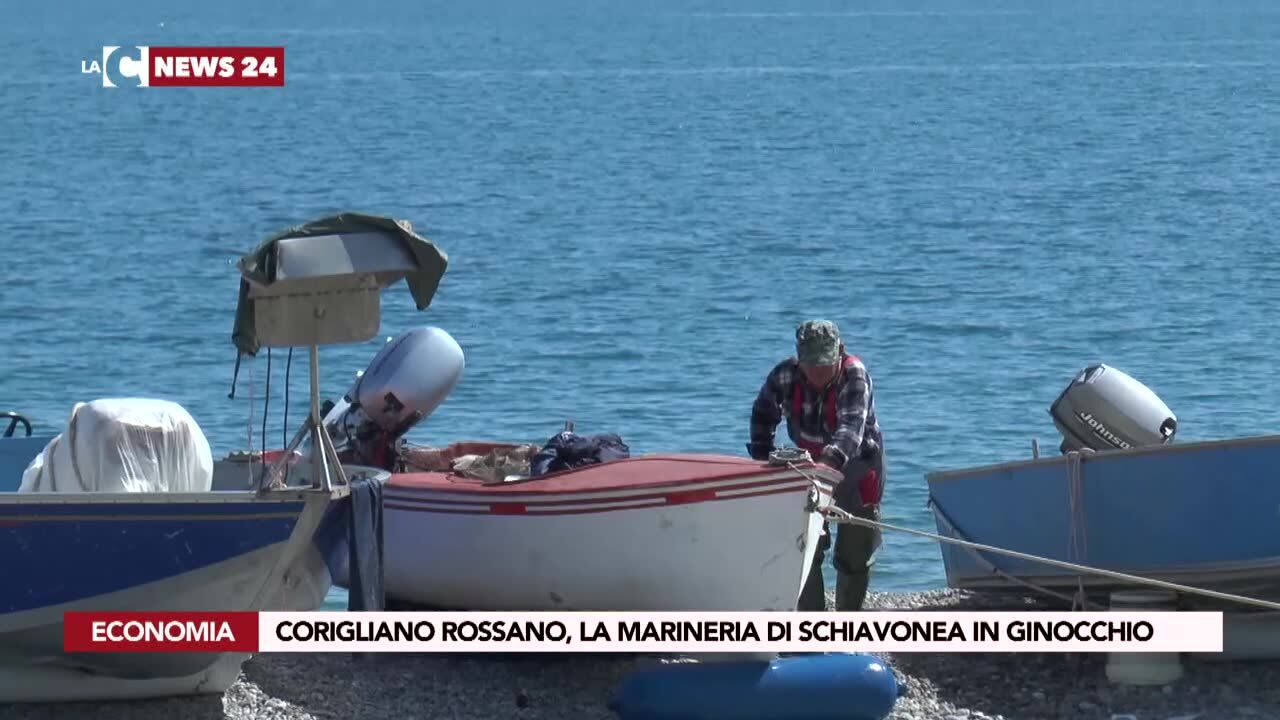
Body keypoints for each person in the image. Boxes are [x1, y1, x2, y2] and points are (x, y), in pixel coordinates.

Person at [747, 319, 885, 612]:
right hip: (807, 467)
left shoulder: (854, 375)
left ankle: (848, 626)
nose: (818, 374)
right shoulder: (784, 375)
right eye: (811, 366)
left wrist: (824, 471)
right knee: (805, 551)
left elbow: (849, 431)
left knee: (855, 555)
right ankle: (813, 628)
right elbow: (762, 416)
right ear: (799, 359)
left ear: (840, 352)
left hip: (857, 466)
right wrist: (763, 462)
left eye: (825, 366)